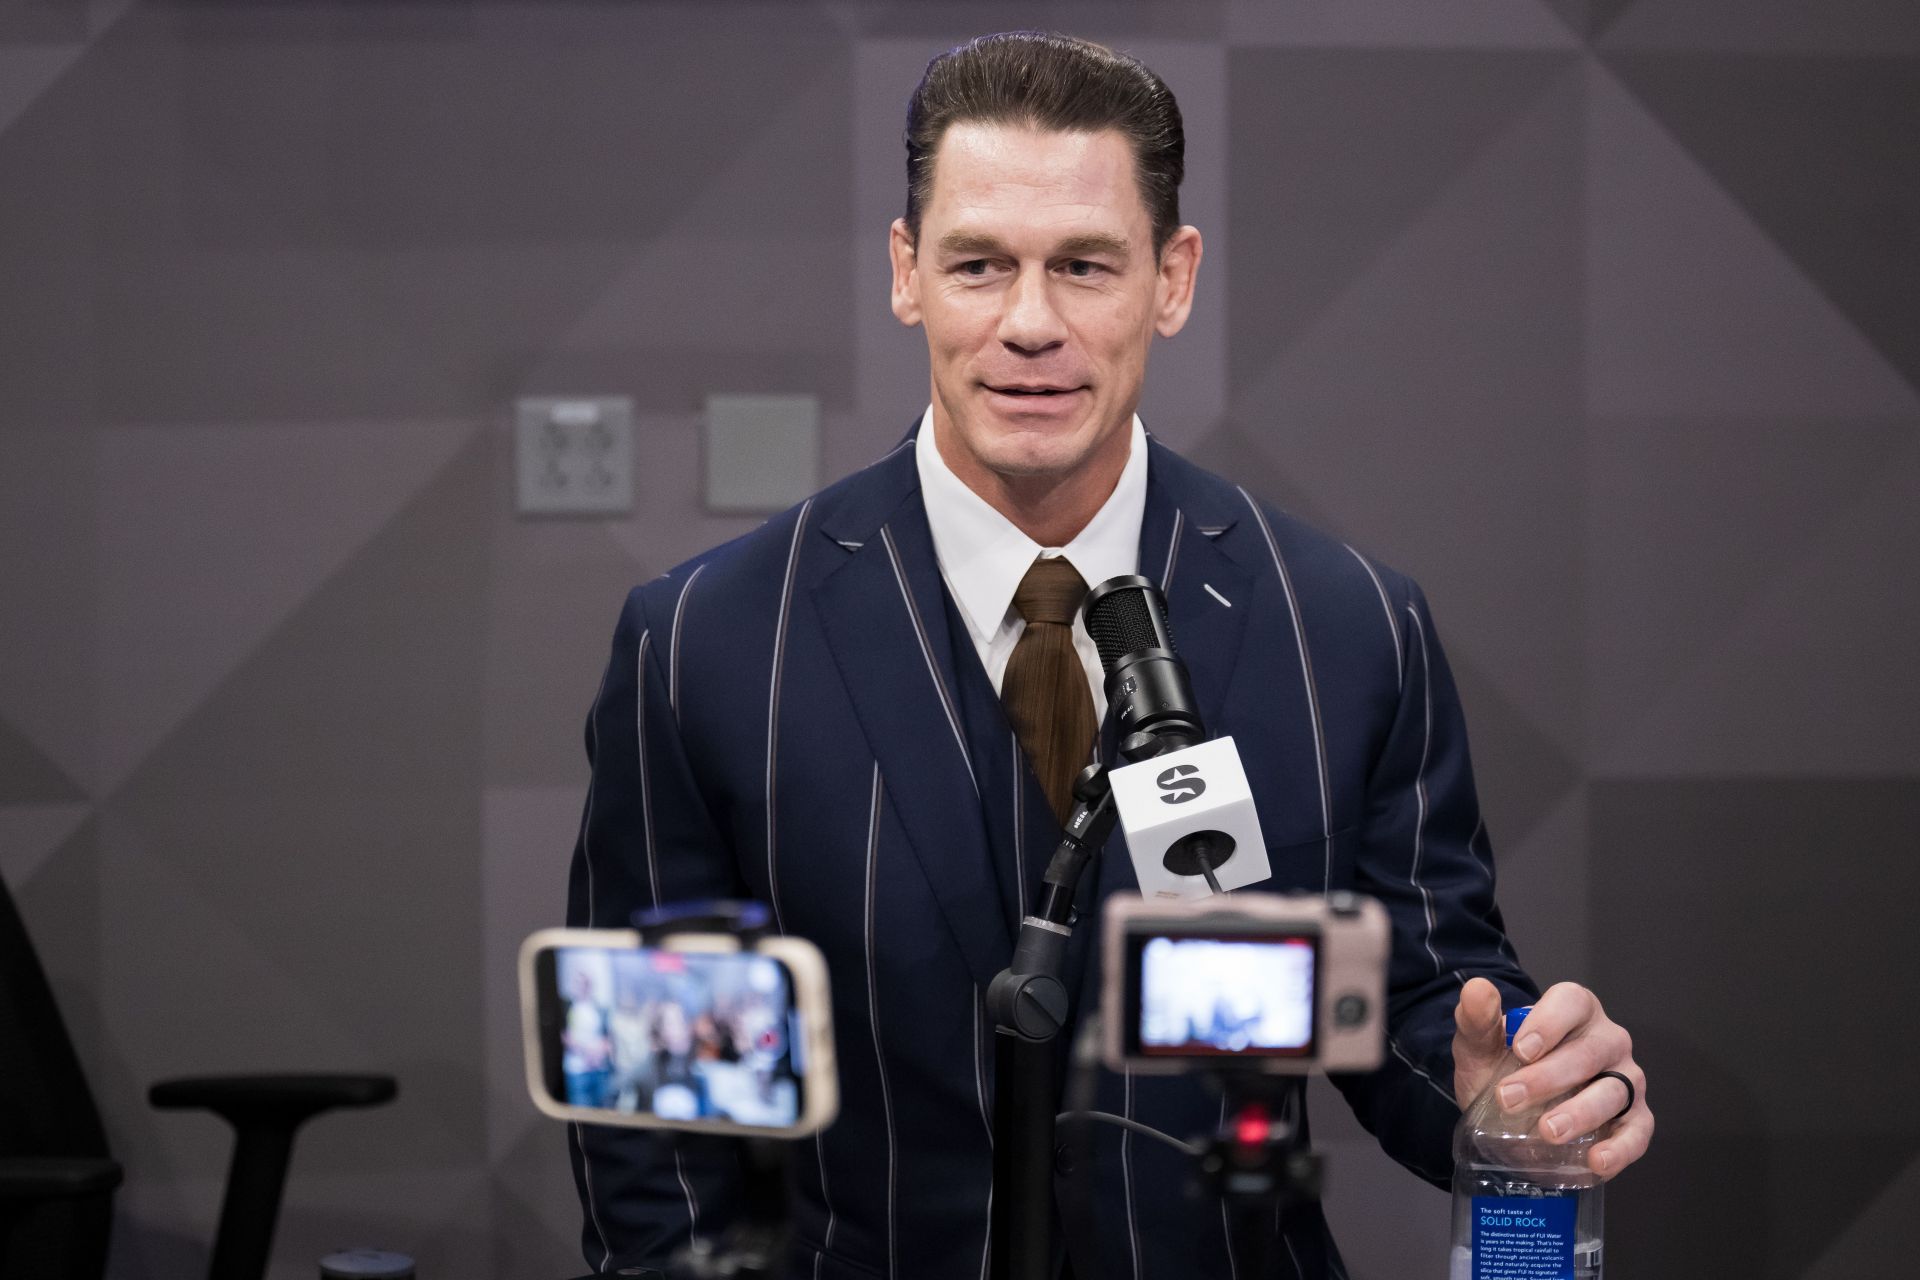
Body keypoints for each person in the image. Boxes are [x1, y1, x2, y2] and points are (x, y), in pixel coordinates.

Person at [565, 31, 1652, 1278]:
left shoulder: (1348, 625)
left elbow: (1425, 1002)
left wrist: (1498, 1091)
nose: (1031, 324)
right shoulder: (703, 640)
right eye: (980, 264)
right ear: (907, 272)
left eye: (1085, 265)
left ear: (1172, 279)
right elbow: (654, 1114)